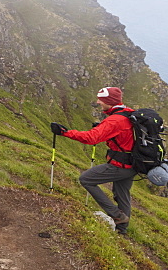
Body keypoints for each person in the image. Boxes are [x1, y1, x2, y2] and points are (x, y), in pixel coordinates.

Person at [51, 87, 135, 234]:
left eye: (101, 100)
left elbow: (91, 138)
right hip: (134, 164)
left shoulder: (115, 120)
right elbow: (124, 135)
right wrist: (103, 128)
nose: (98, 102)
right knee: (121, 193)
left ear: (109, 102)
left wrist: (65, 133)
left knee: (86, 179)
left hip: (120, 165)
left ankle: (117, 215)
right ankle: (122, 230)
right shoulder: (128, 113)